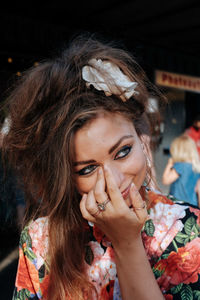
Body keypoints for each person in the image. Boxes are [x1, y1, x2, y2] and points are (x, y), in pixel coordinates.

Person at [2, 33, 200, 300]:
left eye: (123, 151)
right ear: (65, 176)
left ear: (143, 139)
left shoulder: (189, 228)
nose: (114, 181)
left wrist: (127, 242)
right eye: (87, 169)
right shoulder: (40, 240)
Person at [162, 134, 200, 207]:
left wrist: (169, 164)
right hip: (192, 205)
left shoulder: (181, 166)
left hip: (178, 204)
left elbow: (165, 181)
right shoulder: (196, 167)